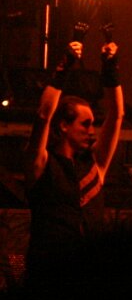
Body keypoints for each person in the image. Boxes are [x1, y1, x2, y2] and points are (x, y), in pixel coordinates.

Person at [24, 35, 123, 273]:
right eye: (85, 124)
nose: (92, 131)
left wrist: (110, 69)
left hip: (89, 273)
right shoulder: (42, 164)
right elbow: (43, 115)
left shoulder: (95, 165)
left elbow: (117, 115)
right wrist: (63, 68)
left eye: (92, 124)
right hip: (50, 273)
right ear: (64, 125)